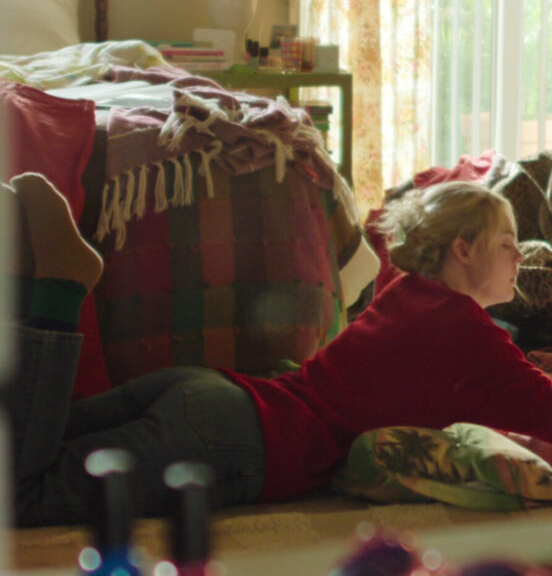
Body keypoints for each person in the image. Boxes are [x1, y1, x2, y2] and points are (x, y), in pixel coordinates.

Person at [5, 173, 552, 528]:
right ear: (463, 249)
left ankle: (25, 277)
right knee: (21, 494)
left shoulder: (407, 294)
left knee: (25, 438)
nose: (518, 258)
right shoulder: (469, 335)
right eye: (508, 244)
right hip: (245, 445)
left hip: (214, 395)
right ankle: (58, 287)